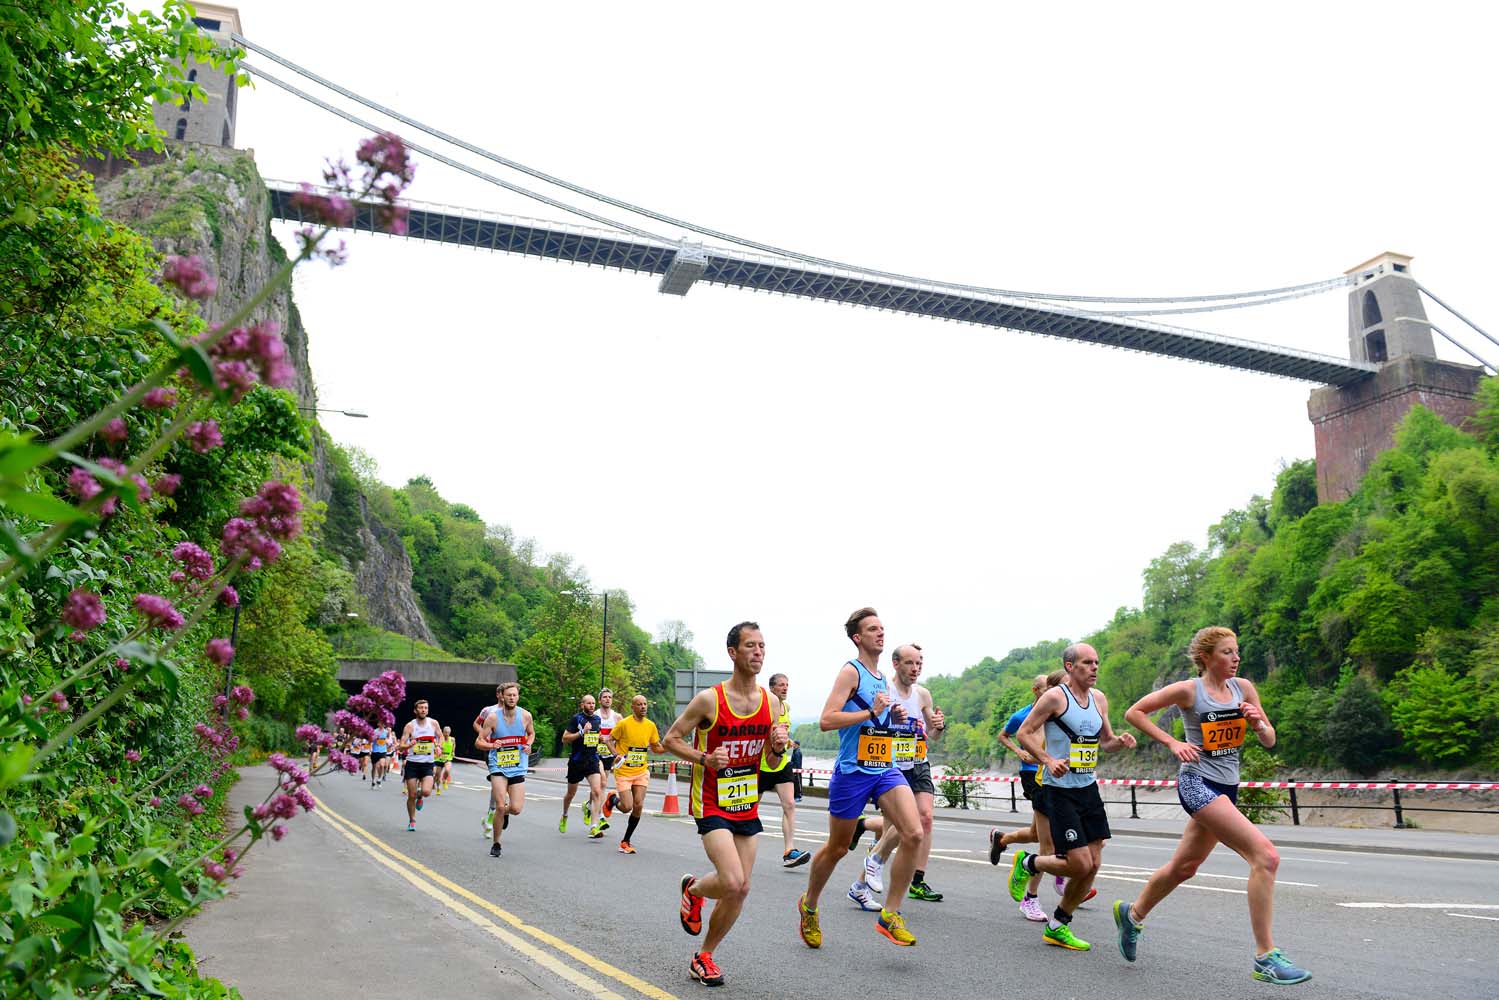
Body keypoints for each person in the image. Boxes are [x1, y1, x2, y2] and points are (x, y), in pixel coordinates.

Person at [1114, 627, 1311, 985]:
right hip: (1197, 783)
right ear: (1206, 657)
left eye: (1237, 652)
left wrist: (1257, 722)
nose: (1235, 659)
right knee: (1265, 856)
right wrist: (1173, 742)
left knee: (1185, 866)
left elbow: (1269, 739)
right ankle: (1265, 957)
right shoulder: (1189, 690)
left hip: (1227, 786)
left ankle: (1133, 914)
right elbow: (1135, 712)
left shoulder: (1244, 688)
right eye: (1227, 653)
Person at [664, 620, 790, 988]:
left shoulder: (773, 703)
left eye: (762, 646)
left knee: (741, 888)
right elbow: (671, 740)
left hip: (746, 803)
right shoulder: (709, 700)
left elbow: (768, 760)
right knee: (733, 881)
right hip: (712, 802)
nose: (758, 652)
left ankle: (704, 954)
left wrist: (777, 747)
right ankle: (694, 892)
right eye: (750, 646)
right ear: (733, 653)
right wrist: (705, 759)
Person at [797, 607, 924, 949]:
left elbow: (875, 722)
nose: (881, 633)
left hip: (883, 767)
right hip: (852, 771)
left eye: (882, 628)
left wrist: (890, 716)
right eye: (873, 629)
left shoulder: (881, 677)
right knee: (838, 848)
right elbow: (827, 719)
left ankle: (891, 915)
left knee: (914, 832)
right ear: (858, 638)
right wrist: (872, 711)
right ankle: (809, 904)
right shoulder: (850, 672)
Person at [1009, 643, 1137, 951]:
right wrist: (1048, 760)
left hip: (1088, 788)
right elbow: (1025, 733)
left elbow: (1104, 742)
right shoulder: (1055, 697)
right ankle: (1029, 862)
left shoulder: (1099, 699)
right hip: (1060, 790)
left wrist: (1120, 742)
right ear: (1069, 667)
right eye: (1087, 663)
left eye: (1096, 662)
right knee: (1079, 864)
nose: (1094, 667)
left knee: (1093, 865)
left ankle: (1058, 925)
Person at [847, 643, 946, 907]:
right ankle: (860, 883)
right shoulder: (883, 691)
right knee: (896, 832)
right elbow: (870, 726)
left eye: (919, 664)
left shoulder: (923, 694)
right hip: (889, 766)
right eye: (910, 663)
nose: (915, 669)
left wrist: (939, 725)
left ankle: (905, 874)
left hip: (918, 762)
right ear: (896, 664)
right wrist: (891, 718)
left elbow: (932, 735)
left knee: (924, 817)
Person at [990, 671, 1063, 921]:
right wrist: (1020, 753)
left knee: (1038, 833)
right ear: (1036, 691)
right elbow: (1004, 736)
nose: (1050, 694)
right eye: (1045, 689)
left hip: (1060, 778)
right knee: (1048, 840)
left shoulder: (1060, 712)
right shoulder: (1022, 716)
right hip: (1035, 776)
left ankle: (1002, 839)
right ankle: (1035, 893)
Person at [475, 681, 534, 858]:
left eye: (514, 695)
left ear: (518, 697)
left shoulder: (525, 716)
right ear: (502, 696)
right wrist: (492, 744)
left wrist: (529, 744)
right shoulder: (493, 717)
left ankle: (502, 814)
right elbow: (479, 742)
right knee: (500, 805)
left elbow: (531, 733)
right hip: (498, 766)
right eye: (508, 695)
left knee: (515, 808)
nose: (512, 697)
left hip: (517, 766)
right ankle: (496, 843)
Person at [759, 672, 809, 868]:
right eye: (781, 685)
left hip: (782, 764)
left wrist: (789, 742)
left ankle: (789, 851)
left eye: (787, 685)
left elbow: (782, 734)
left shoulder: (786, 707)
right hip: (762, 765)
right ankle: (737, 843)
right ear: (771, 688)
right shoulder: (763, 708)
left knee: (789, 805)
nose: (785, 688)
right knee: (749, 809)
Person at [607, 693, 664, 853]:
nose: (643, 707)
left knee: (638, 805)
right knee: (626, 807)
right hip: (624, 771)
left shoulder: (650, 725)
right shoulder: (624, 724)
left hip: (641, 771)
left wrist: (671, 746)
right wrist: (615, 754)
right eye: (639, 704)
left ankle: (625, 841)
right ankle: (612, 800)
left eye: (645, 704)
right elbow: (608, 740)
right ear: (633, 707)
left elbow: (655, 747)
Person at [560, 693, 606, 837]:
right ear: (582, 705)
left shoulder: (598, 719)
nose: (591, 706)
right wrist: (581, 732)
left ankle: (594, 826)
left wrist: (600, 739)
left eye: (593, 703)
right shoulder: (577, 719)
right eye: (588, 703)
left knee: (597, 791)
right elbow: (565, 739)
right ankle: (565, 815)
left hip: (592, 760)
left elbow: (594, 738)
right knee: (570, 794)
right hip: (577, 761)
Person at [398, 700, 442, 832]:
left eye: (425, 708)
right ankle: (412, 820)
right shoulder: (410, 726)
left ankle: (420, 795)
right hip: (412, 764)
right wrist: (409, 745)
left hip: (427, 764)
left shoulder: (433, 723)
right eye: (421, 708)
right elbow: (401, 746)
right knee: (411, 795)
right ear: (415, 710)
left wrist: (438, 746)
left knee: (427, 791)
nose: (423, 710)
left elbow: (440, 736)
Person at [435, 725, 455, 794]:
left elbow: (454, 745)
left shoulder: (452, 739)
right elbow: (436, 746)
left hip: (448, 758)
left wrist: (453, 752)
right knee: (437, 774)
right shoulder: (440, 739)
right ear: (443, 732)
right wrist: (439, 747)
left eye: (448, 733)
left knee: (447, 770)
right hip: (439, 759)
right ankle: (438, 788)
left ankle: (444, 780)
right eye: (445, 732)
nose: (446, 734)